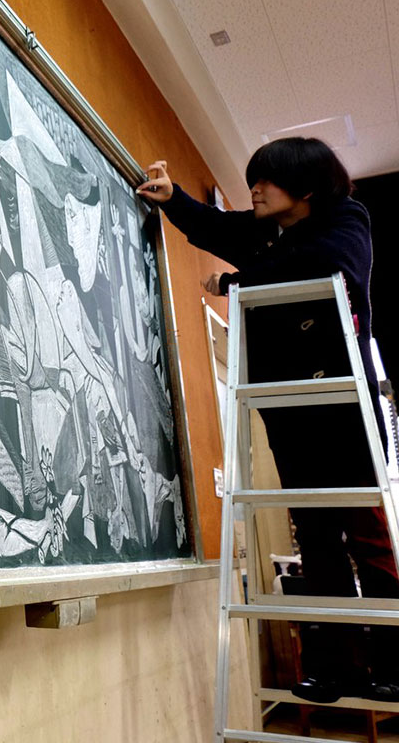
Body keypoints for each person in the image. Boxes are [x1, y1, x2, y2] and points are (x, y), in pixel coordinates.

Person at [137, 137, 399, 703]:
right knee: (319, 539)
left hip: (341, 406)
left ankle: (393, 661)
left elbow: (331, 265)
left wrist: (237, 282)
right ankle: (337, 667)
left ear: (305, 188)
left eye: (266, 181)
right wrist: (172, 197)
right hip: (291, 413)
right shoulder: (264, 233)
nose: (253, 189)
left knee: (368, 535)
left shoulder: (345, 218)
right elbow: (214, 226)